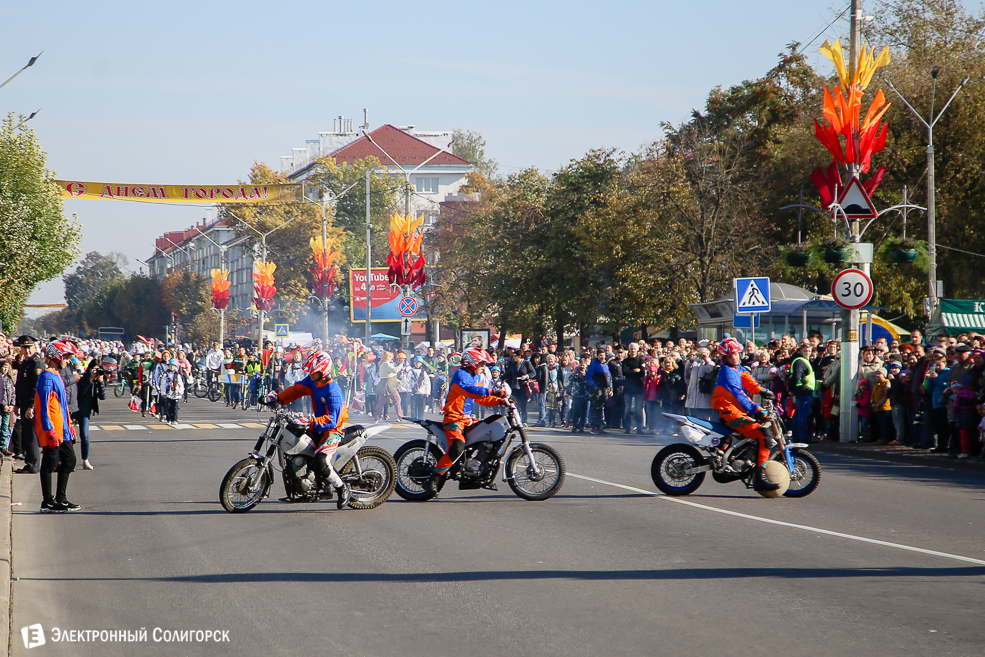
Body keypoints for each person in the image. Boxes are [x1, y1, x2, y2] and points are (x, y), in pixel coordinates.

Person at [265, 351, 352, 509]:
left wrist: (310, 421)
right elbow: (297, 390)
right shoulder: (314, 381)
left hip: (333, 430)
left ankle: (342, 488)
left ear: (324, 372)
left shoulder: (333, 392)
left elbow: (333, 421)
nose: (311, 375)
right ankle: (309, 478)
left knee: (321, 460)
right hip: (318, 425)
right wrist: (278, 398)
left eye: (314, 372)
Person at [710, 337, 780, 492]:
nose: (735, 357)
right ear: (724, 357)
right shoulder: (727, 373)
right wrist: (757, 410)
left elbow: (747, 379)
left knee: (758, 432)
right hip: (731, 413)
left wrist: (761, 390)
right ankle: (759, 479)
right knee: (764, 435)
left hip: (736, 411)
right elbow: (739, 395)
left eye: (736, 354)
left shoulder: (736, 368)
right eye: (731, 355)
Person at [431, 348, 507, 478]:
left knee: (486, 434)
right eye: (481, 364)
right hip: (454, 419)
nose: (483, 368)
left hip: (467, 419)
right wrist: (492, 391)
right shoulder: (461, 375)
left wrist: (501, 401)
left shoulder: (474, 377)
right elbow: (471, 391)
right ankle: (435, 478)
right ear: (472, 363)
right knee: (457, 447)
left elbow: (481, 398)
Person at [36, 340, 80, 512]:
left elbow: (62, 405)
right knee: (49, 463)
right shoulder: (46, 376)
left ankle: (61, 497)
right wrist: (49, 429)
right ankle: (47, 501)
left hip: (62, 428)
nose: (67, 361)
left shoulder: (57, 375)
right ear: (57, 356)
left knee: (70, 460)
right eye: (66, 357)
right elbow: (43, 405)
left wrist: (69, 426)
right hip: (52, 428)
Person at [14, 335, 44, 474]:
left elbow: (36, 387)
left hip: (31, 403)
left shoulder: (36, 363)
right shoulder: (26, 362)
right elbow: (20, 385)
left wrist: (31, 405)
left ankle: (33, 464)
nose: (26, 350)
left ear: (34, 347)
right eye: (24, 347)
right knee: (26, 434)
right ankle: (29, 462)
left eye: (28, 347)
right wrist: (17, 404)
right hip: (24, 401)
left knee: (31, 435)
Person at [74, 358, 106, 469]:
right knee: (69, 436)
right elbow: (81, 393)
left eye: (98, 369)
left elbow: (102, 397)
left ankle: (85, 460)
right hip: (74, 408)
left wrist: (101, 382)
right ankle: (66, 459)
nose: (95, 372)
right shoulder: (83, 377)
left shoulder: (98, 380)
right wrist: (90, 379)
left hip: (85, 411)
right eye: (94, 369)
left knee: (85, 435)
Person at [788, 343, 816, 443]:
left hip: (803, 391)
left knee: (798, 415)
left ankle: (797, 437)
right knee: (803, 415)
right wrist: (792, 387)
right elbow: (796, 377)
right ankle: (803, 437)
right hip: (803, 391)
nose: (807, 352)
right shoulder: (800, 361)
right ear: (801, 350)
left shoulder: (803, 360)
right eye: (805, 350)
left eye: (809, 350)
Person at [585, 349, 611, 434]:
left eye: (603, 355)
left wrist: (610, 388)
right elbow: (588, 377)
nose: (602, 357)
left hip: (605, 389)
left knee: (601, 408)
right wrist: (594, 387)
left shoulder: (605, 365)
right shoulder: (593, 365)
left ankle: (599, 426)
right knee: (596, 408)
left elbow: (608, 378)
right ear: (597, 355)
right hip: (597, 389)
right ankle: (594, 426)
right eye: (600, 355)